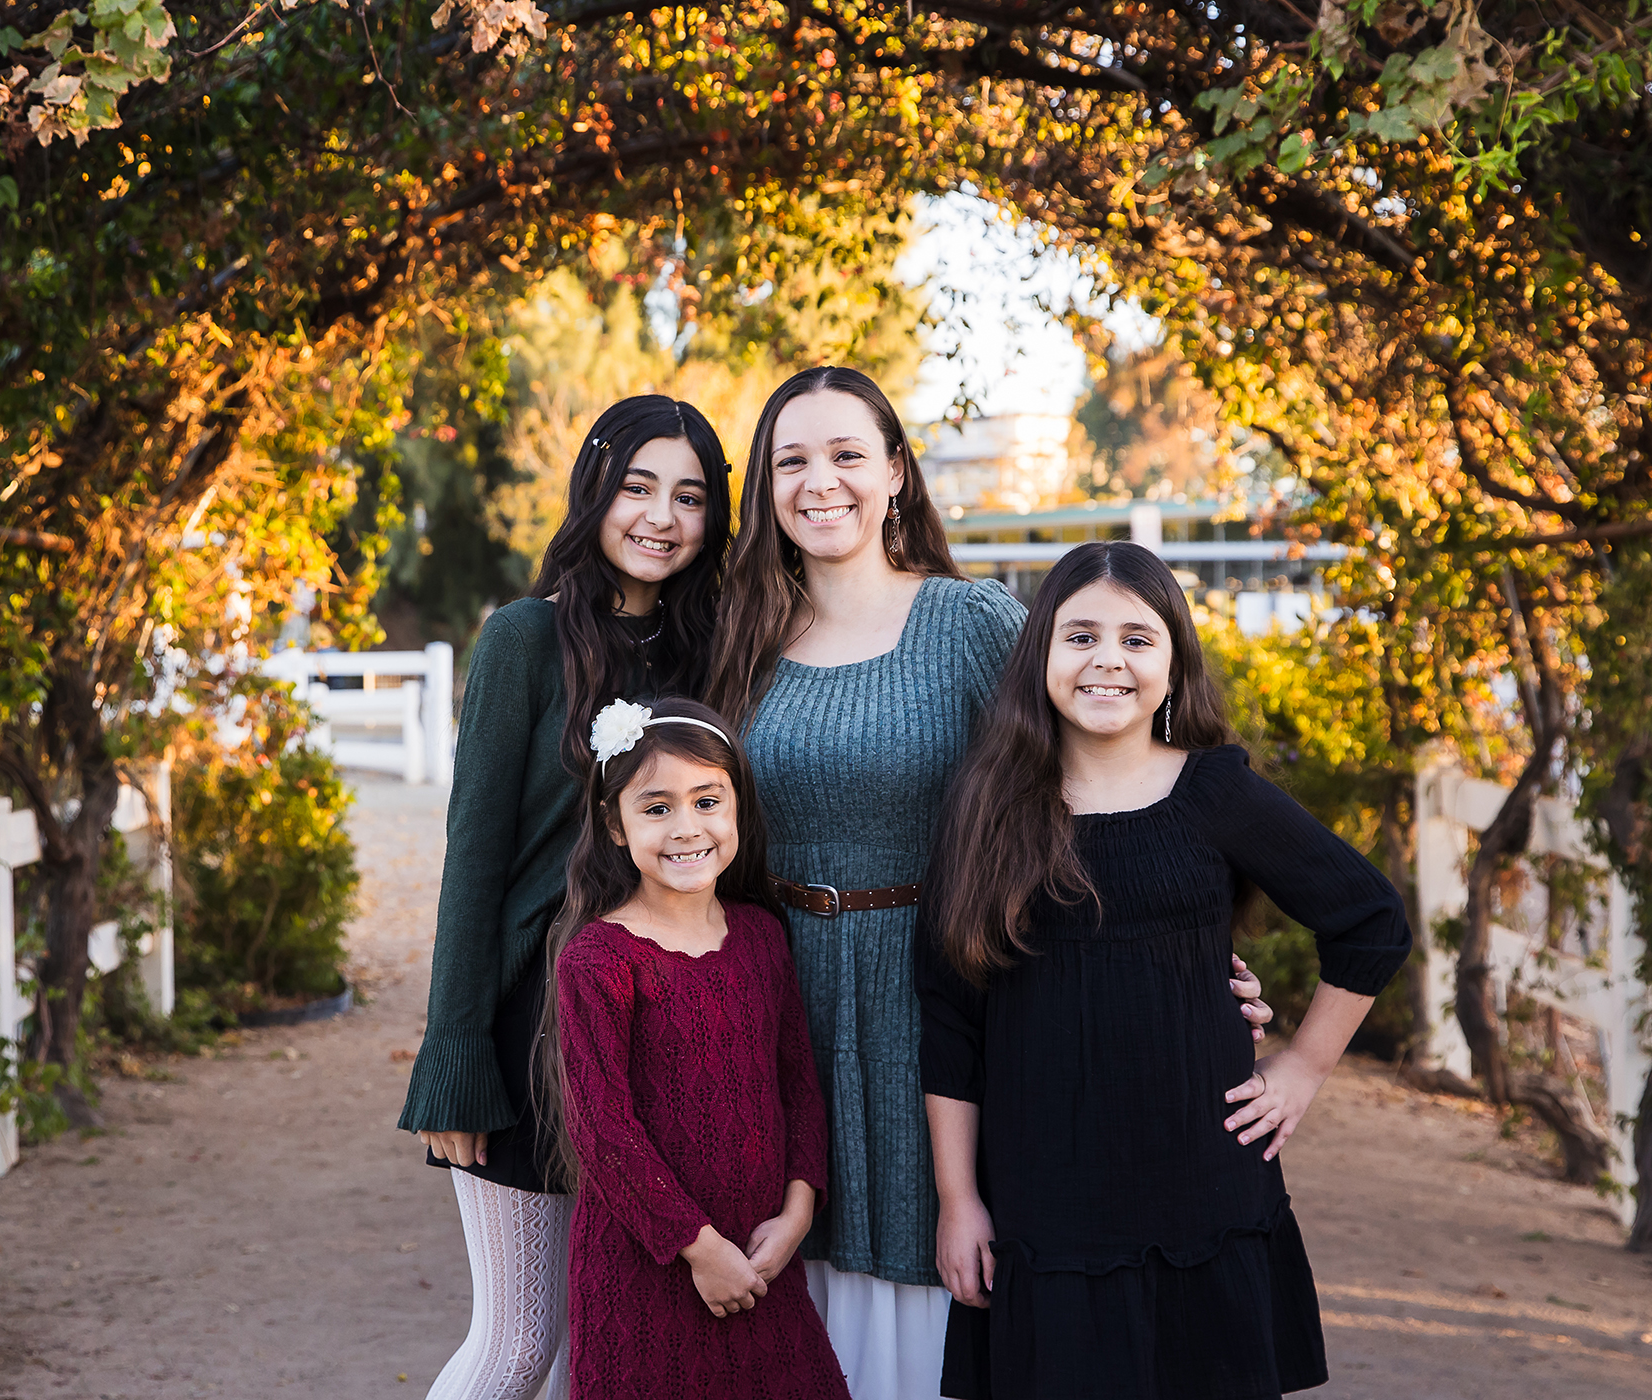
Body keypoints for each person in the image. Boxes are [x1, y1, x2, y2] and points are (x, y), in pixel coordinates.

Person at [707, 368, 1276, 1399]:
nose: (819, 480)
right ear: (765, 487)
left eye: (846, 454)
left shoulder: (972, 622)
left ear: (894, 471)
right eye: (791, 459)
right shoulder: (740, 639)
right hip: (782, 994)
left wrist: (1189, 955)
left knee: (952, 1263)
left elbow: (1110, 780)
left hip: (953, 995)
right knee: (789, 1258)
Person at [917, 541, 1413, 1400]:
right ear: (1040, 657)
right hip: (1048, 1205)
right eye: (1079, 636)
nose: (1107, 659)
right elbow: (950, 1019)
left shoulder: (1215, 794)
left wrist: (1301, 1067)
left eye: (1137, 639)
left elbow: (1371, 920)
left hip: (1203, 1193)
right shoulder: (985, 807)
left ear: (1175, 663)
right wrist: (959, 1200)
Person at [399, 396, 733, 1400]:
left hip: (661, 1030)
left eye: (690, 494)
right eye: (638, 486)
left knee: (602, 1348)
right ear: (594, 489)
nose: (661, 515)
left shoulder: (718, 650)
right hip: (525, 1030)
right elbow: (474, 861)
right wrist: (454, 1055)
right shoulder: (522, 638)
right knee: (515, 1344)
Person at [543, 697, 851, 1400]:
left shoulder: (761, 936)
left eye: (707, 800)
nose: (687, 828)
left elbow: (798, 1083)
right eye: (656, 808)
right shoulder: (599, 960)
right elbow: (604, 1134)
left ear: (737, 806)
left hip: (761, 1258)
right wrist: (700, 1250)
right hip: (649, 1270)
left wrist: (799, 1210)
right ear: (614, 826)